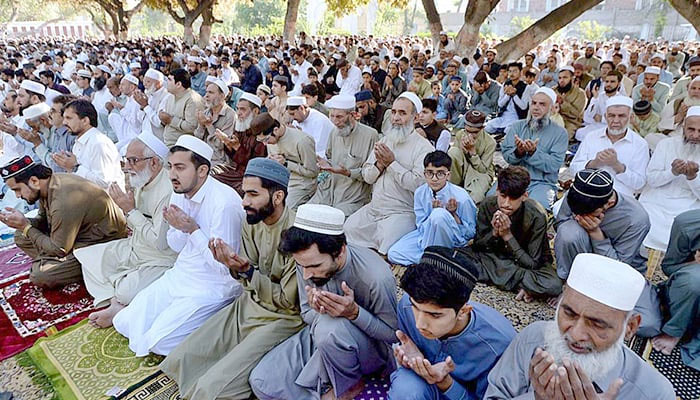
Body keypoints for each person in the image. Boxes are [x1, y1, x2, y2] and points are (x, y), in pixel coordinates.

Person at [160, 158, 305, 399]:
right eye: (243, 193)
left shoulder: (298, 233)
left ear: (277, 197)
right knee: (181, 359)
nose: (245, 201)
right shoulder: (252, 220)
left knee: (212, 389)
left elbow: (289, 301)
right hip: (249, 304)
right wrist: (233, 266)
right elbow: (247, 272)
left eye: (252, 194)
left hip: (283, 318)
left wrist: (247, 272)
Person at [112, 136, 245, 356]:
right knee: (124, 322)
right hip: (181, 276)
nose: (172, 174)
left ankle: (220, 327)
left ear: (202, 171)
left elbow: (225, 269)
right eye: (171, 167)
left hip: (213, 287)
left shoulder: (224, 204)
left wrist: (192, 230)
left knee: (160, 342)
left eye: (180, 168)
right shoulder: (179, 193)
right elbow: (175, 247)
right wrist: (181, 229)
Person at [250, 204, 398, 400]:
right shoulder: (305, 262)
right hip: (321, 337)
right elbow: (307, 314)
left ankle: (348, 386)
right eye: (302, 266)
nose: (307, 274)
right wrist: (317, 310)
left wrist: (354, 314)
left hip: (369, 349)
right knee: (262, 381)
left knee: (330, 329)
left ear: (340, 252)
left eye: (315, 266)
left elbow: (392, 335)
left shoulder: (375, 277)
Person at [484, 253, 675, 400]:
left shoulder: (654, 392)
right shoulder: (533, 338)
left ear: (630, 327)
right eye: (569, 313)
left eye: (597, 324)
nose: (575, 335)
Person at [74, 133, 176, 327]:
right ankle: (116, 302)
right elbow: (134, 226)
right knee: (86, 257)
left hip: (159, 260)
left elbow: (160, 243)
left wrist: (129, 210)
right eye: (126, 160)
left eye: (133, 160)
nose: (126, 166)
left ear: (154, 162)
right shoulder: (141, 179)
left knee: (125, 292)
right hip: (134, 249)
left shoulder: (167, 192)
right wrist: (128, 210)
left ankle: (117, 301)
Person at [389, 247, 516, 400]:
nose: (420, 324)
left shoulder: (498, 345)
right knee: (406, 390)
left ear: (463, 311)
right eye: (416, 308)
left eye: (434, 315)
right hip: (422, 387)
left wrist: (445, 382)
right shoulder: (406, 306)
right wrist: (413, 363)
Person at [0, 157, 126, 288]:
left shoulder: (63, 200)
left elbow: (59, 249)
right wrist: (21, 222)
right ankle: (57, 264)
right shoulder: (48, 184)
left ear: (34, 181)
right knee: (21, 236)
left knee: (41, 275)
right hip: (76, 236)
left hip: (102, 244)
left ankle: (81, 269)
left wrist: (26, 226)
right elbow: (43, 221)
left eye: (17, 189)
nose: (17, 196)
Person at [344, 93, 434, 255]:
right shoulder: (384, 141)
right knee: (349, 229)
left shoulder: (424, 148)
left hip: (401, 212)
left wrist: (392, 163)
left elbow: (419, 184)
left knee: (388, 244)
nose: (396, 118)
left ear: (415, 117)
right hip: (375, 209)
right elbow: (367, 176)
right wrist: (380, 164)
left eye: (402, 113)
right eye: (393, 112)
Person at [467, 166, 562, 302]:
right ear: (497, 192)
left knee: (553, 285)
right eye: (503, 196)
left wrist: (507, 236)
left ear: (524, 196)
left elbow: (533, 263)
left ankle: (504, 279)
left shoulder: (536, 215)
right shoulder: (487, 205)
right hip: (493, 257)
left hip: (524, 263)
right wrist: (494, 233)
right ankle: (523, 287)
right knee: (456, 258)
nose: (506, 203)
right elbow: (478, 246)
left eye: (513, 198)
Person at [388, 151, 477, 266]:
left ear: (448, 175)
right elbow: (420, 225)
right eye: (430, 173)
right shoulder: (420, 193)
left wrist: (452, 215)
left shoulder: (461, 197)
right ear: (424, 174)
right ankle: (436, 260)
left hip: (452, 240)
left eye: (440, 173)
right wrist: (431, 215)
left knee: (439, 215)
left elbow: (470, 233)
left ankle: (432, 259)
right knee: (394, 253)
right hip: (425, 237)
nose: (434, 179)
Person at [639, 106, 700, 252]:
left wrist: (692, 177)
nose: (696, 135)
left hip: (689, 203)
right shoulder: (666, 144)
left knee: (684, 226)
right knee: (643, 220)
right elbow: (652, 180)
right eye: (691, 129)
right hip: (658, 199)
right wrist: (672, 172)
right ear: (683, 127)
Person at [646, 209, 700, 371]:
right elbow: (670, 267)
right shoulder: (687, 224)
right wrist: (695, 264)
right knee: (692, 280)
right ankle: (674, 331)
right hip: (691, 291)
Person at [309, 95, 378, 217]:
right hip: (328, 191)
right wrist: (323, 164)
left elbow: (371, 174)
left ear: (352, 115)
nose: (335, 121)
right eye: (332, 116)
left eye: (339, 117)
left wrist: (347, 172)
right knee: (307, 214)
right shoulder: (334, 132)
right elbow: (329, 157)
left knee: (334, 220)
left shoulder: (370, 135)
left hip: (353, 196)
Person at [500, 87, 568, 210]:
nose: (536, 107)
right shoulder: (517, 127)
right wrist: (518, 152)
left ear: (552, 108)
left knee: (536, 208)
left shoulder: (560, 133)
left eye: (542, 104)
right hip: (513, 179)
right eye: (534, 103)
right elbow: (507, 155)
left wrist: (533, 153)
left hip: (541, 183)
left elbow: (554, 164)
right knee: (493, 200)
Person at [570, 96, 649, 198]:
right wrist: (594, 163)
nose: (616, 120)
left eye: (621, 116)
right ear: (605, 116)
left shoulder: (640, 144)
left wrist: (617, 166)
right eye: (611, 115)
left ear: (631, 117)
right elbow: (573, 169)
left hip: (620, 197)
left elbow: (639, 184)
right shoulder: (591, 137)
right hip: (587, 192)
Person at [54, 99, 125, 189]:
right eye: (64, 118)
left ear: (85, 121)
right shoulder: (78, 143)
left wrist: (75, 167)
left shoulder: (99, 143)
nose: (64, 122)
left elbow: (104, 182)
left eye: (69, 118)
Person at [265, 108, 319, 210]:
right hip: (279, 182)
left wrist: (286, 163)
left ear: (275, 130)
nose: (265, 144)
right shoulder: (270, 141)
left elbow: (313, 172)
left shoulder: (302, 141)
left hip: (301, 185)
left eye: (266, 139)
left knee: (284, 211)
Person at [447, 109, 496, 204]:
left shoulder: (490, 142)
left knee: (475, 197)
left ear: (482, 128)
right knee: (453, 151)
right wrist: (463, 150)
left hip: (480, 172)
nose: (470, 135)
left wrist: (472, 152)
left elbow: (483, 169)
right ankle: (453, 186)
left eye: (474, 132)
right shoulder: (460, 134)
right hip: (462, 168)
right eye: (467, 131)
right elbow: (455, 159)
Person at [194, 78, 236, 167]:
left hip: (220, 161)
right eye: (206, 92)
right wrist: (201, 125)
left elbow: (220, 145)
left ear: (222, 96)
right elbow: (197, 138)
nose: (206, 96)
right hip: (202, 155)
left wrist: (209, 125)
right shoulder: (206, 112)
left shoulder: (230, 115)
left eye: (211, 93)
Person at [574, 70, 624, 142]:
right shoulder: (599, 96)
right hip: (596, 126)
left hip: (611, 128)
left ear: (619, 84)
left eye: (612, 82)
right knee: (580, 133)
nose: (609, 84)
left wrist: (602, 119)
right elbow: (587, 116)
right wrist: (595, 98)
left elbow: (621, 120)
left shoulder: (621, 99)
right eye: (607, 82)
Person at [160, 68, 204, 146]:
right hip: (167, 142)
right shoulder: (170, 97)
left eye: (169, 80)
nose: (167, 82)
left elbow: (192, 127)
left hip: (182, 147)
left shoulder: (192, 100)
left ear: (178, 84)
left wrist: (170, 120)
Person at [485, 62, 528, 135]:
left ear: (520, 72)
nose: (512, 74)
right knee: (488, 127)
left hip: (517, 117)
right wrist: (507, 95)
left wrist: (514, 95)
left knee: (509, 130)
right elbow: (500, 104)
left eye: (514, 71)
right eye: (510, 71)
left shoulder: (526, 87)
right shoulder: (505, 84)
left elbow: (523, 107)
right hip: (504, 116)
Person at [555, 66, 586, 140]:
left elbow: (576, 114)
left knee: (562, 138)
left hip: (570, 123)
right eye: (560, 78)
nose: (562, 80)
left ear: (572, 79)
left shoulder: (580, 93)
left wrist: (563, 103)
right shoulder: (553, 90)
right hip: (553, 120)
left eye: (565, 77)